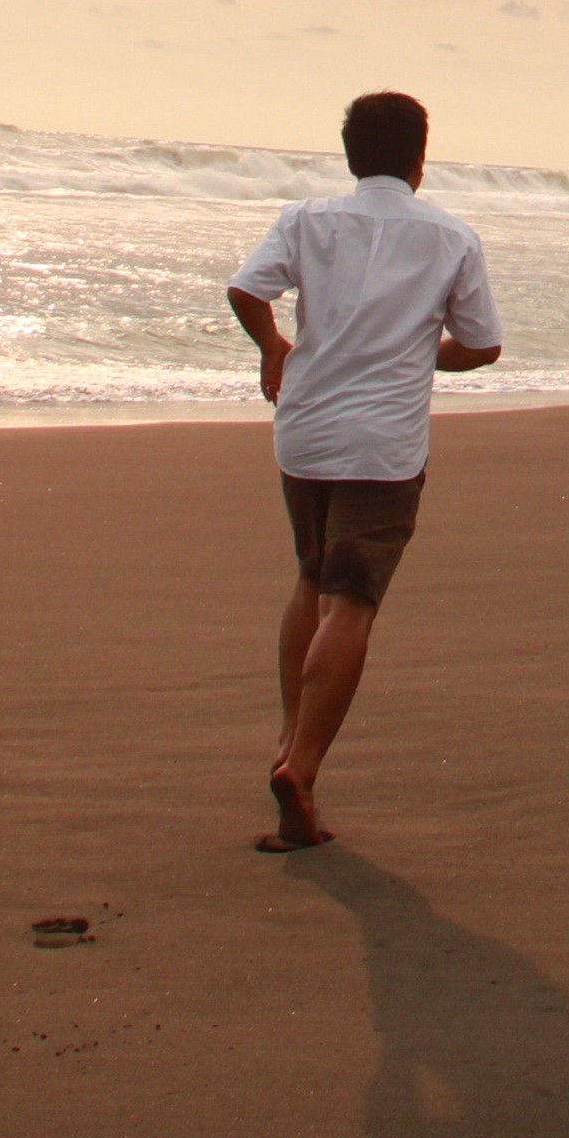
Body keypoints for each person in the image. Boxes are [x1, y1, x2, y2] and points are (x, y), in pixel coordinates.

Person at [226, 90, 503, 853]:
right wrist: (421, 357)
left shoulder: (308, 220)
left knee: (311, 577)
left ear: (350, 157)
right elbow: (482, 345)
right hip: (382, 447)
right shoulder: (450, 237)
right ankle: (303, 768)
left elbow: (247, 291)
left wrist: (274, 348)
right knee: (352, 601)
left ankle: (288, 735)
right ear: (420, 158)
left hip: (306, 433)